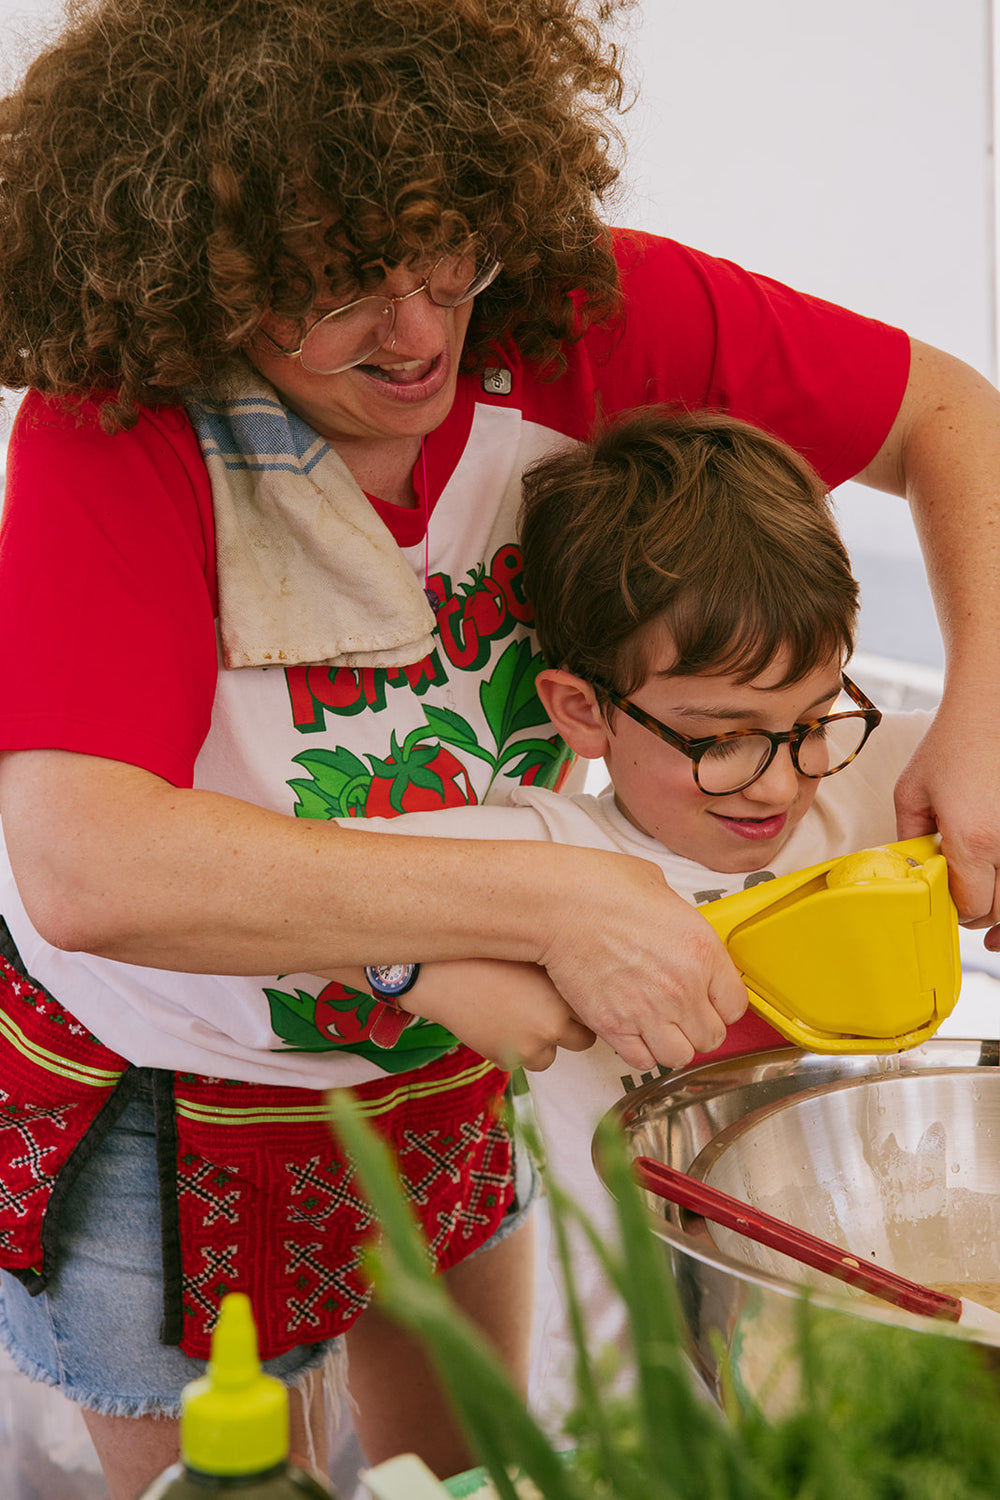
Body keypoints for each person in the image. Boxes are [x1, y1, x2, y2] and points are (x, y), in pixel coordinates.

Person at [0, 0, 998, 1494]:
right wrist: (560, 901)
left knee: (467, 1474)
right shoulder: (123, 431)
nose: (417, 333)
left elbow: (948, 417)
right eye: (330, 292)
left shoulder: (579, 316)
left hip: (442, 1080)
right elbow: (88, 863)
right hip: (175, 1097)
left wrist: (986, 706)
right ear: (202, 277)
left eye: (439, 248)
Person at [319, 405, 936, 1428]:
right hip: (638, 1406)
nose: (779, 782)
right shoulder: (542, 852)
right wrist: (411, 974)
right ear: (582, 710)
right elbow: (310, 902)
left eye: (814, 716)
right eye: (720, 738)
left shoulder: (864, 784)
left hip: (870, 1365)